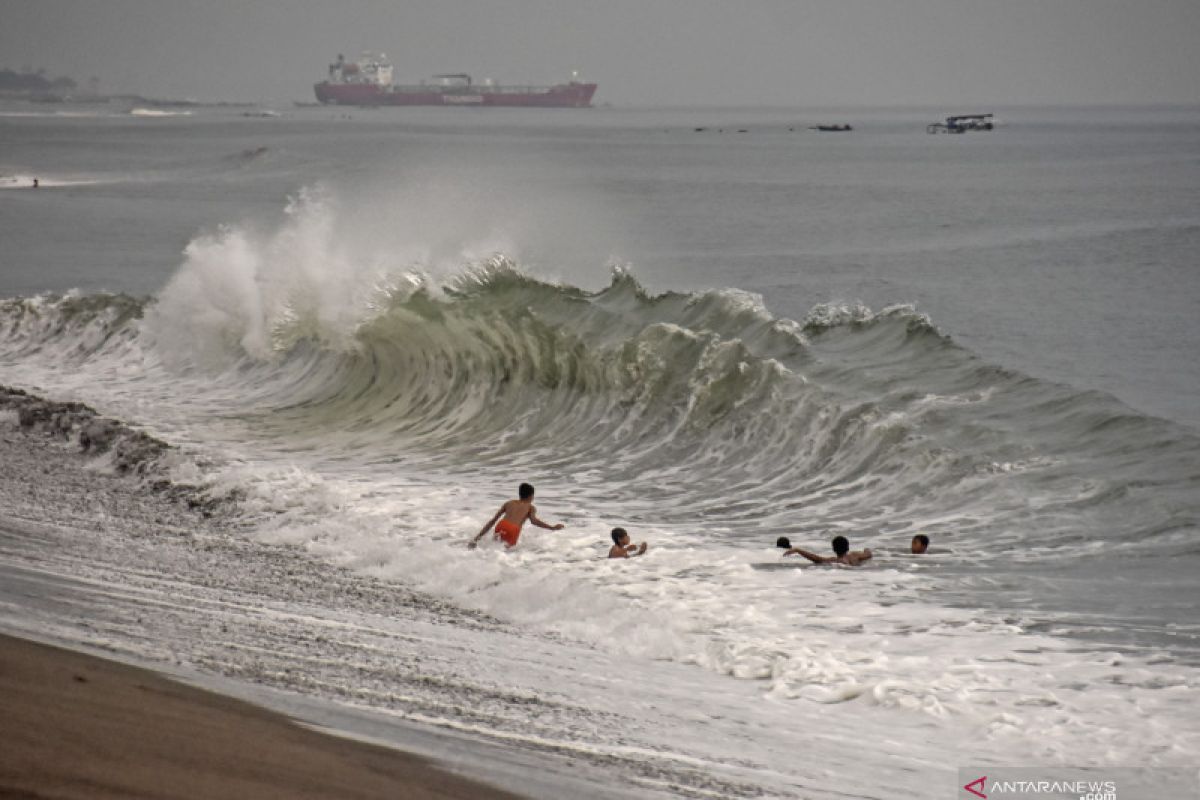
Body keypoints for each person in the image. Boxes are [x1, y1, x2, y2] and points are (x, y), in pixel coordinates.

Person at [468, 482, 564, 549]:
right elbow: (534, 521)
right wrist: (552, 527)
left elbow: (493, 521)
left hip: (501, 525)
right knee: (506, 554)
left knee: (494, 549)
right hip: (513, 529)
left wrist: (477, 538)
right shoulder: (530, 507)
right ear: (531, 496)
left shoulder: (509, 503)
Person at [782, 535, 872, 566]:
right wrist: (866, 549)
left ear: (833, 549)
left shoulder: (835, 560)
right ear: (848, 547)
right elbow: (869, 554)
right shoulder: (856, 556)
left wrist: (798, 550)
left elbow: (816, 559)